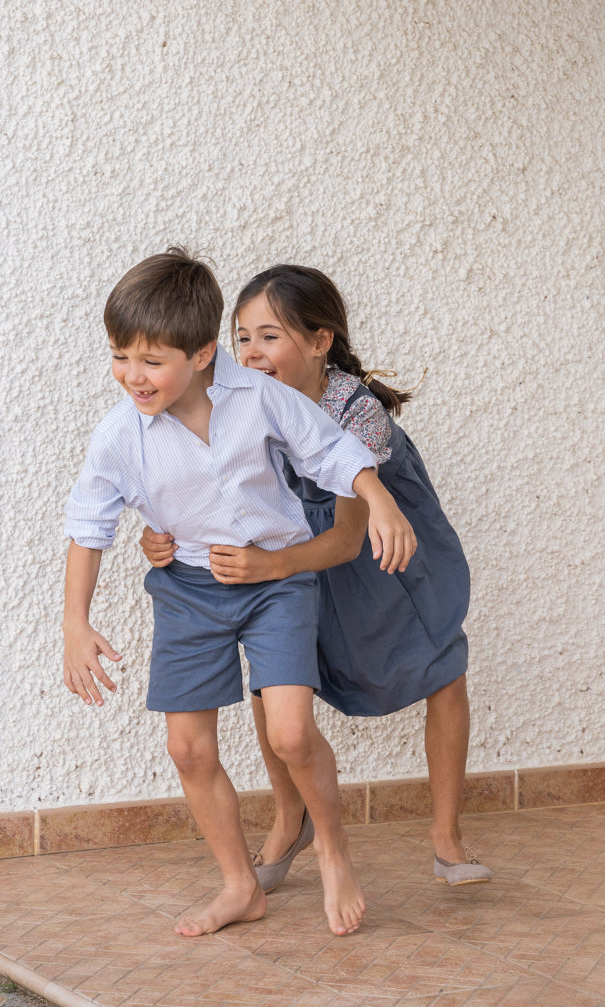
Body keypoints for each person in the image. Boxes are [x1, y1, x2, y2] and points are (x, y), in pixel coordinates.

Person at [62, 249, 417, 940]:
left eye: (150, 359)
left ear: (201, 352)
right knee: (189, 749)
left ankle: (333, 850)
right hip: (187, 590)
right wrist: (76, 622)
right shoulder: (119, 434)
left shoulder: (259, 397)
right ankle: (239, 885)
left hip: (272, 583)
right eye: (119, 355)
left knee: (288, 732)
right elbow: (89, 524)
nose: (132, 375)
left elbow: (332, 451)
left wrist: (378, 501)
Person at [141, 264, 491, 890]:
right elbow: (199, 481)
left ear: (321, 341)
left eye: (270, 336)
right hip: (294, 560)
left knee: (441, 664)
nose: (250, 353)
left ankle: (447, 838)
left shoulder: (357, 417)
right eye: (242, 337)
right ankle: (290, 817)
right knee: (272, 681)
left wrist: (270, 565)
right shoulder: (234, 401)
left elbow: (349, 536)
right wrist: (161, 534)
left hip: (377, 560)